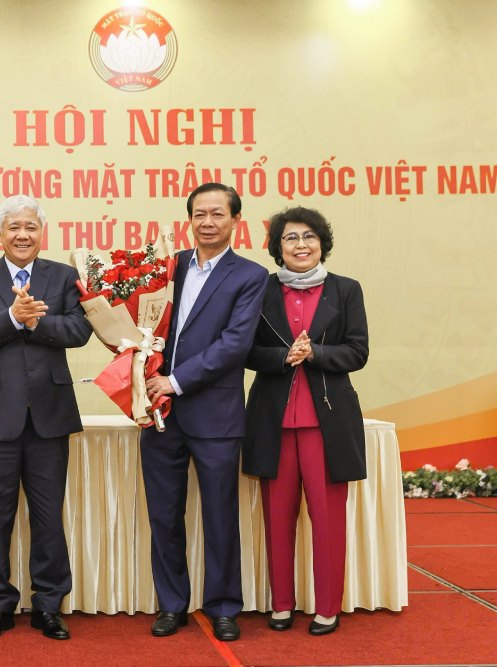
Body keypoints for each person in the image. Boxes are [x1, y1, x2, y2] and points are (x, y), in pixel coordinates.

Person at [0, 195, 92, 642]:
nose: (22, 234)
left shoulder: (65, 276)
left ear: (42, 231)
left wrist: (37, 324)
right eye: (13, 226)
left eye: (30, 226)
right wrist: (12, 318)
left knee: (49, 517)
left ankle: (48, 605)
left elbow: (78, 330)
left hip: (49, 416)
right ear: (0, 233)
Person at [141, 183, 267, 641]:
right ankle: (172, 604)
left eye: (217, 214)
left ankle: (223, 606)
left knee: (219, 515)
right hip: (159, 415)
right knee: (164, 516)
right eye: (199, 214)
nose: (208, 222)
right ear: (188, 220)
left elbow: (234, 345)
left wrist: (173, 381)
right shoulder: (164, 268)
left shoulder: (250, 276)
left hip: (215, 415)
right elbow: (139, 327)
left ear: (235, 220)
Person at [242, 206, 368, 636]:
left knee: (328, 519)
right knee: (277, 518)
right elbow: (243, 351)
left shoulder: (346, 290)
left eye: (309, 236)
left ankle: (327, 608)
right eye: (291, 238)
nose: (301, 245)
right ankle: (281, 605)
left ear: (322, 243)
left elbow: (358, 351)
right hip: (273, 421)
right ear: (278, 247)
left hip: (327, 423)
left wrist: (316, 352)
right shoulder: (260, 290)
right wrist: (282, 356)